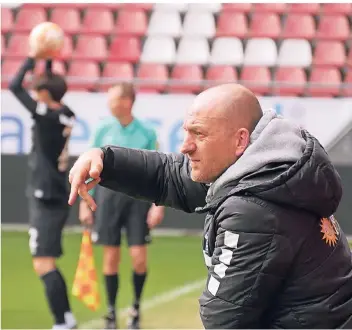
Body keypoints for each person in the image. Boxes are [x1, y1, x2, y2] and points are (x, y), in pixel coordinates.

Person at [68, 83, 352, 329]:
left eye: (199, 135)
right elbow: (172, 175)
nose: (185, 146)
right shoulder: (262, 167)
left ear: (240, 139)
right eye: (186, 132)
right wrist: (106, 159)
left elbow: (223, 318)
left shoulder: (253, 208)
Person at [78, 83, 165, 330]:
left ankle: (136, 307)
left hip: (137, 201)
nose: (109, 103)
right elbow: (88, 167)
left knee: (138, 258)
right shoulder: (103, 129)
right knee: (110, 258)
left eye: (114, 99)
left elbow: (157, 173)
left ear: (127, 101)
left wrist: (157, 205)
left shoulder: (147, 132)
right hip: (107, 200)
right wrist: (86, 202)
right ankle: (111, 312)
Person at [9, 46, 77, 329]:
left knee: (43, 262)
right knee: (47, 261)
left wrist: (31, 59)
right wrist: (47, 61)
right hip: (56, 192)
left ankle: (61, 321)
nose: (35, 94)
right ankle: (66, 318)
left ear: (46, 94)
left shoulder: (44, 115)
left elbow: (14, 86)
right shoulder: (66, 113)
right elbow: (46, 89)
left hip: (46, 195)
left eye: (39, 91)